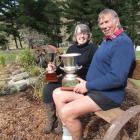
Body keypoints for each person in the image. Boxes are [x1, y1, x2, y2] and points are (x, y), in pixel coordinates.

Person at [52, 8, 135, 140]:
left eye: (107, 22)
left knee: (66, 112)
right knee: (56, 93)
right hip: (96, 90)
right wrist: (86, 83)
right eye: (101, 23)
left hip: (108, 95)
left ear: (117, 20)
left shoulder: (122, 43)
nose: (104, 26)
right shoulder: (108, 41)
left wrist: (88, 85)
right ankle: (68, 133)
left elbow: (117, 78)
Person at [43, 23, 98, 134]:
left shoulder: (93, 48)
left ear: (88, 35)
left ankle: (62, 121)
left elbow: (97, 68)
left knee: (61, 91)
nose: (82, 36)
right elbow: (64, 66)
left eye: (84, 33)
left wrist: (89, 84)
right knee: (48, 89)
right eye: (79, 33)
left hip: (81, 82)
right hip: (67, 79)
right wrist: (53, 70)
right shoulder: (71, 48)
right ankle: (51, 120)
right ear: (75, 35)